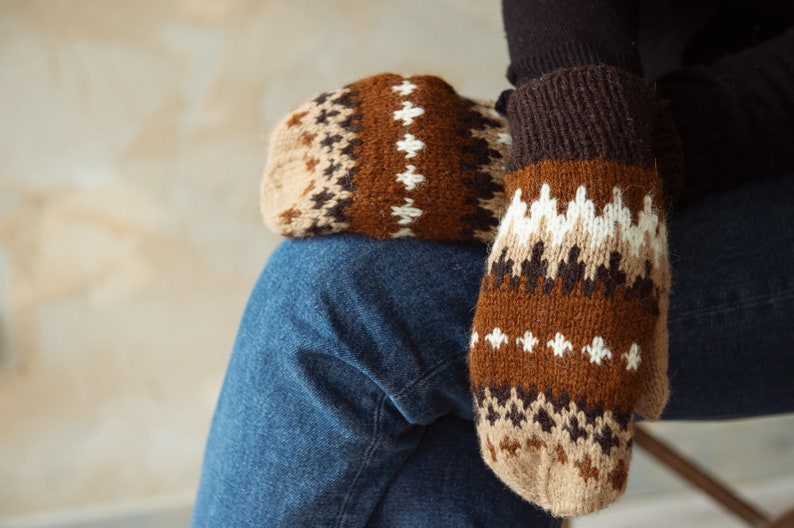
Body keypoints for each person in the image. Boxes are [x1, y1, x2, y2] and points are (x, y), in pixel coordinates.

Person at [191, 1, 794, 526]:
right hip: (664, 125)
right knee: (410, 359)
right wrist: (579, 121)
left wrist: (613, 147)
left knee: (341, 296)